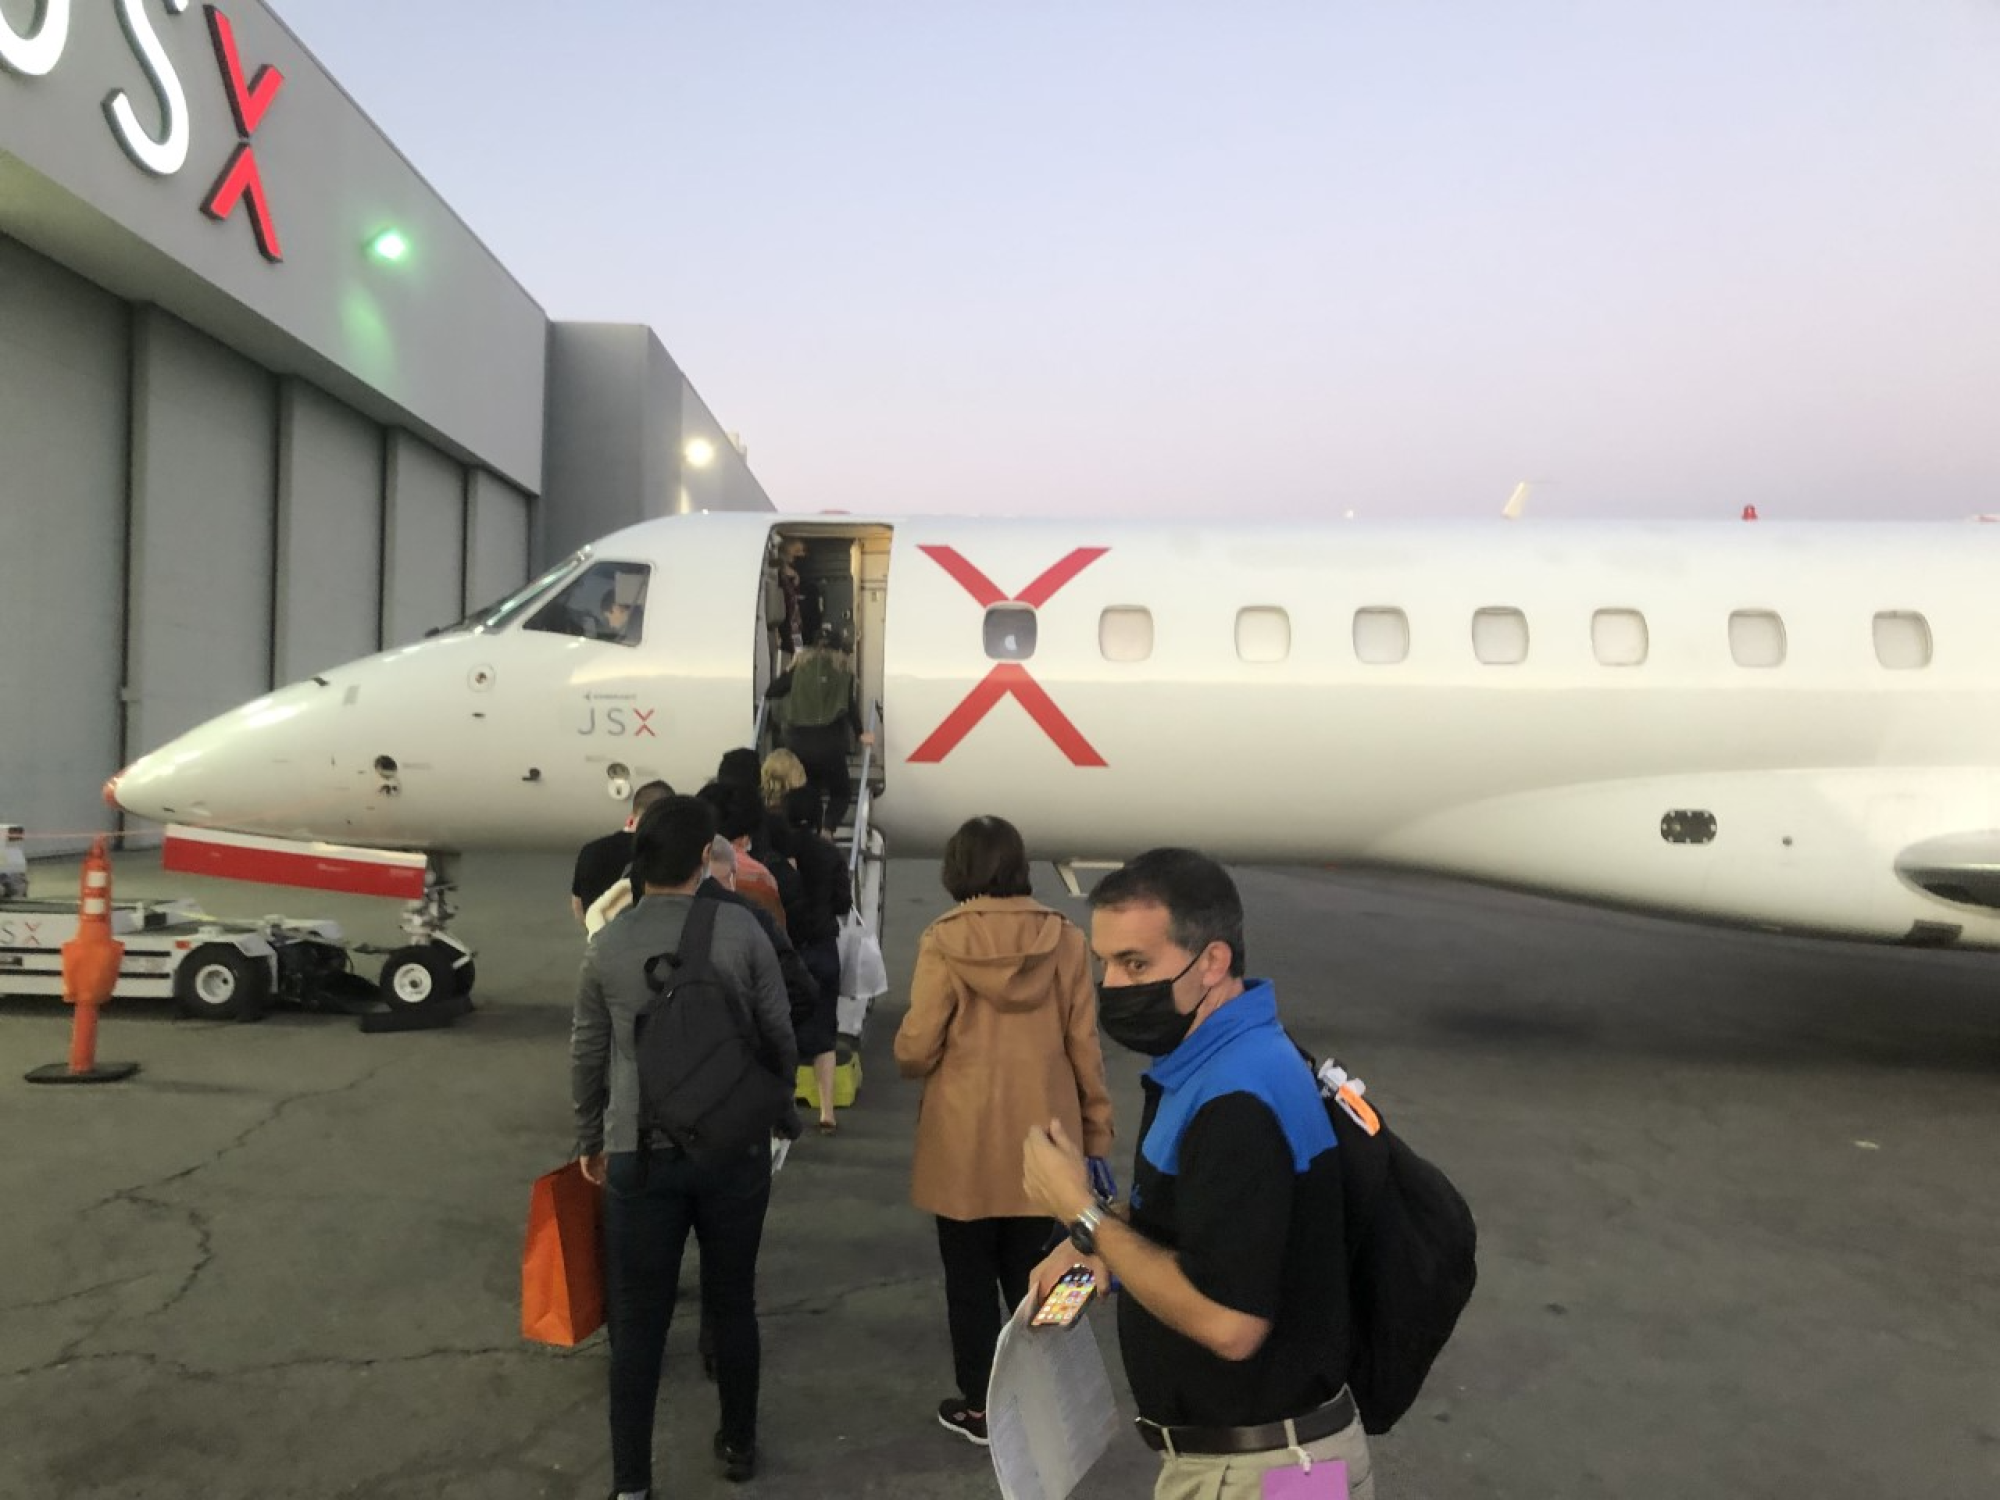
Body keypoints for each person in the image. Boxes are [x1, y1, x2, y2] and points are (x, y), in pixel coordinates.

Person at [1021, 848, 1367, 1500]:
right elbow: (1216, 1222)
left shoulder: (1237, 1100)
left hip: (1266, 1473)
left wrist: (1082, 1211)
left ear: (1212, 961)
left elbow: (1230, 1326)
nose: (1114, 988)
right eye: (1106, 964)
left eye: (1136, 964)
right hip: (1264, 1464)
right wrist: (1102, 1242)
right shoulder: (1225, 1057)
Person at [571, 795, 798, 1494]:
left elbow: (588, 1052)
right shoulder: (743, 933)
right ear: (706, 857)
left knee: (638, 1322)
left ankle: (633, 1482)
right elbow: (779, 1032)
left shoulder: (607, 943)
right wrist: (771, 1104)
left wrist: (590, 1135)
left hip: (640, 1152)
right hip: (733, 1148)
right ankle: (737, 1441)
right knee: (733, 1302)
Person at [895, 815, 1113, 1447]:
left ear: (957, 869)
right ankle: (1049, 1399)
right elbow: (1084, 1047)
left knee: (967, 1283)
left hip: (961, 1143)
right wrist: (1096, 1135)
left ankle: (982, 1407)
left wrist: (921, 1056)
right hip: (1049, 1143)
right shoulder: (1065, 938)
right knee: (1052, 1273)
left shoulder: (943, 940)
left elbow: (915, 1046)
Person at [778, 785, 849, 1135]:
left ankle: (786, 1107)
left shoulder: (777, 854)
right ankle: (826, 1111)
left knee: (782, 1029)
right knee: (824, 1032)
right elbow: (843, 903)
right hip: (823, 946)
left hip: (787, 950)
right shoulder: (829, 853)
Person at [763, 626, 872, 836]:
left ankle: (806, 830)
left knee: (808, 788)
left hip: (799, 742)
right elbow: (850, 707)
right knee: (840, 792)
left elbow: (772, 692)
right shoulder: (843, 671)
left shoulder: (799, 669)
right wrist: (860, 734)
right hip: (830, 744)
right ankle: (828, 828)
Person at [570, 780, 673, 926]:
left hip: (599, 941)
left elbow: (578, 907)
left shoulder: (589, 850)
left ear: (632, 815)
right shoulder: (661, 854)